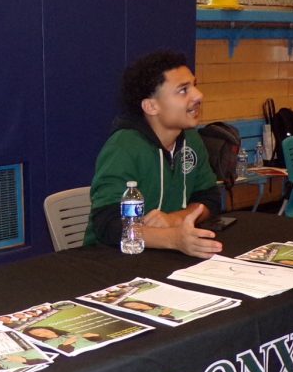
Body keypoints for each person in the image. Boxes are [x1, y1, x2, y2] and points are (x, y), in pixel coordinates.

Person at [84, 50, 224, 257]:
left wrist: (175, 219)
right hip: (111, 259)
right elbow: (109, 225)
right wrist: (173, 238)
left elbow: (209, 198)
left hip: (164, 256)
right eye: (183, 90)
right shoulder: (123, 147)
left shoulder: (192, 140)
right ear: (151, 106)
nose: (198, 95)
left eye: (195, 85)